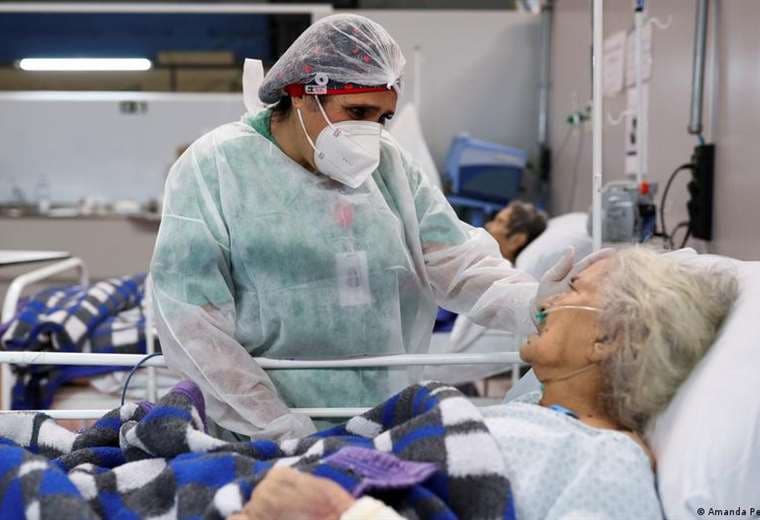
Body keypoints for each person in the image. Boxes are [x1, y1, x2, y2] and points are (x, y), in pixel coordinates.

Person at [150, 13, 604, 440]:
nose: (372, 134)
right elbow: (191, 320)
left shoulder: (388, 166)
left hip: (380, 419)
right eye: (357, 112)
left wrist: (534, 301)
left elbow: (458, 263)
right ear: (301, 94)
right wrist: (277, 428)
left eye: (383, 118)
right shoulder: (217, 166)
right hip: (258, 431)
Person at [227, 247, 739, 519]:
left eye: (573, 290)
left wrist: (346, 514)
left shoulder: (607, 461)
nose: (547, 301)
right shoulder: (529, 414)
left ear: (608, 338)